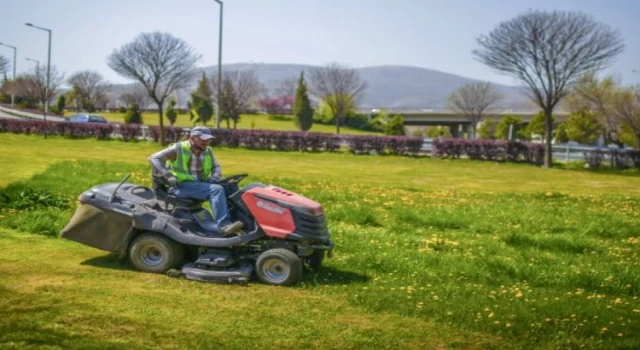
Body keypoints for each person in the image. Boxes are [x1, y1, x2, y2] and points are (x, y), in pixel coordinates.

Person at [149, 126, 243, 235]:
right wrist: (168, 176)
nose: (206, 142)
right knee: (216, 190)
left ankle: (239, 222)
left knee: (230, 187)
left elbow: (216, 166)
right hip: (181, 186)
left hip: (198, 184)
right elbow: (154, 158)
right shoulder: (179, 148)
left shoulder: (208, 150)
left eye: (208, 139)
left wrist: (214, 178)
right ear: (192, 138)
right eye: (203, 139)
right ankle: (224, 226)